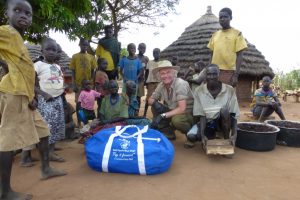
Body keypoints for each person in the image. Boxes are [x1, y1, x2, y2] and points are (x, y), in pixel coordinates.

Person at [0, 1, 66, 199]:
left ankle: (46, 169)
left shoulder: (18, 38)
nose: (24, 16)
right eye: (17, 11)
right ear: (6, 13)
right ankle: (4, 192)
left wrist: (32, 95)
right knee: (8, 142)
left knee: (43, 131)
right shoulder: (7, 31)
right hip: (13, 94)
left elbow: (22, 69)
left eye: (28, 13)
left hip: (25, 97)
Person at [186, 64, 239, 149]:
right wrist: (203, 135)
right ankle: (211, 136)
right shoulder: (199, 91)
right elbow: (202, 115)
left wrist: (234, 134)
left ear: (219, 74)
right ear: (205, 75)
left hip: (222, 123)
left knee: (224, 111)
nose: (211, 77)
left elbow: (234, 115)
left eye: (214, 74)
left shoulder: (229, 90)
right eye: (209, 74)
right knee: (191, 137)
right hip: (208, 123)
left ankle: (226, 140)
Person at [34, 38, 66, 162]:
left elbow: (57, 80)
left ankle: (51, 152)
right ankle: (46, 154)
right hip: (46, 101)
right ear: (42, 51)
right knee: (48, 128)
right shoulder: (38, 65)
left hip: (58, 100)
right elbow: (31, 83)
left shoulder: (57, 66)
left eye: (54, 50)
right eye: (48, 49)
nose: (52, 52)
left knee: (57, 126)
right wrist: (43, 93)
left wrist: (63, 88)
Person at [149, 60, 194, 141]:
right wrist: (155, 103)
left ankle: (192, 133)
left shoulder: (180, 84)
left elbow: (182, 109)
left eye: (168, 72)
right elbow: (150, 100)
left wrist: (162, 115)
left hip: (188, 113)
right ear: (159, 75)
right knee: (155, 106)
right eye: (162, 73)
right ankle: (169, 131)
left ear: (174, 73)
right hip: (174, 110)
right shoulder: (161, 85)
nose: (165, 75)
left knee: (176, 121)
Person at [206, 7, 248, 87]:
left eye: (225, 17)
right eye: (220, 17)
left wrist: (236, 75)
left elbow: (240, 55)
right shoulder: (215, 35)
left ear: (231, 18)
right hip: (214, 73)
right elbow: (211, 54)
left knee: (228, 97)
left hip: (229, 73)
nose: (222, 19)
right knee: (214, 97)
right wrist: (208, 71)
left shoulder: (237, 34)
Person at [70, 38, 97, 126]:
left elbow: (93, 71)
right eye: (83, 45)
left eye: (86, 45)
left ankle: (87, 121)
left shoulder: (91, 57)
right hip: (78, 85)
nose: (85, 46)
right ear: (79, 45)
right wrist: (73, 84)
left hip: (88, 86)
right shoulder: (75, 56)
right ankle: (79, 121)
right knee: (79, 104)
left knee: (88, 104)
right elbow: (73, 71)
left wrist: (92, 85)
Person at [143, 48, 161, 117]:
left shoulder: (161, 63)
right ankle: (144, 114)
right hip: (151, 83)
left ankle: (156, 114)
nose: (155, 54)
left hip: (159, 83)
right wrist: (146, 82)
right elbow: (147, 72)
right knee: (148, 98)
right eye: (154, 53)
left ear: (160, 53)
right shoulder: (149, 62)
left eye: (157, 53)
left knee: (157, 99)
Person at [137, 43, 149, 109]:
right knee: (132, 97)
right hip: (133, 80)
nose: (142, 49)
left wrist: (146, 81)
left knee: (139, 97)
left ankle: (137, 112)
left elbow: (147, 71)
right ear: (138, 48)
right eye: (141, 48)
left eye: (144, 48)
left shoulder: (146, 59)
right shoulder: (135, 57)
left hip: (141, 81)